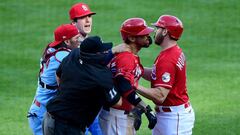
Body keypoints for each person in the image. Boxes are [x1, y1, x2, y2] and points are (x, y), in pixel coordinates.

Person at [42, 36, 122, 135]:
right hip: (66, 128)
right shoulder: (101, 76)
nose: (106, 53)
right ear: (96, 55)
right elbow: (117, 102)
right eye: (103, 51)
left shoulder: (74, 54)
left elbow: (58, 75)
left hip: (51, 118)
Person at [136, 15, 195, 135]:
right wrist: (138, 70)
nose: (155, 32)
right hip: (170, 115)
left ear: (165, 31)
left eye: (158, 28)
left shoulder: (168, 59)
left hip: (173, 119)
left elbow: (160, 95)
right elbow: (156, 74)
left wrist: (134, 85)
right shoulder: (173, 51)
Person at [99, 18, 157, 135]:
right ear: (131, 38)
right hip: (116, 115)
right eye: (143, 34)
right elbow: (124, 85)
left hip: (121, 114)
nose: (148, 36)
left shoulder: (130, 55)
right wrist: (145, 108)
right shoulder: (126, 57)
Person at [27, 24, 80, 135]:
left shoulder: (51, 49)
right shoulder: (63, 56)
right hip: (42, 114)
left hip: (40, 109)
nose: (79, 40)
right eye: (76, 38)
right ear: (67, 42)